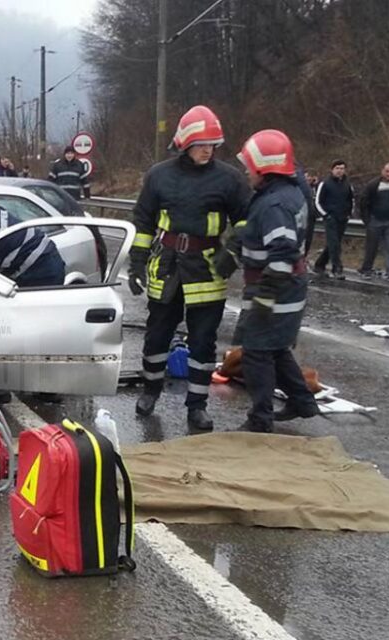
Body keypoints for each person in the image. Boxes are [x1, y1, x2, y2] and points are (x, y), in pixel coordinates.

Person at [128, 105, 251, 433]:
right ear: (183, 144)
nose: (207, 150)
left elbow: (246, 220)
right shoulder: (159, 175)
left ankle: (196, 406)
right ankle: (150, 391)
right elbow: (143, 221)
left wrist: (233, 253)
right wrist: (136, 263)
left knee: (203, 342)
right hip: (166, 266)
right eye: (201, 145)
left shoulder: (230, 179)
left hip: (208, 268)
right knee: (156, 337)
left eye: (212, 144)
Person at [233, 129, 318, 433]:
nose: (246, 172)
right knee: (277, 348)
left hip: (276, 288)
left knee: (256, 351)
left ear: (264, 169)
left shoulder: (274, 204)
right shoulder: (289, 192)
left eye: (249, 167)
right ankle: (302, 402)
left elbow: (282, 248)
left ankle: (260, 419)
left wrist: (265, 294)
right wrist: (237, 241)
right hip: (289, 286)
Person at [311, 160, 354, 279]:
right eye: (337, 168)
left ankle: (319, 265)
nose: (340, 171)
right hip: (330, 218)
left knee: (333, 244)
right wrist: (325, 215)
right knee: (334, 243)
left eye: (342, 168)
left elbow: (351, 199)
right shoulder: (325, 183)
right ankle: (337, 268)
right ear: (332, 169)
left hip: (343, 218)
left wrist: (349, 213)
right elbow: (317, 201)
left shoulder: (347, 184)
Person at [357, 162, 389, 278]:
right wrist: (367, 219)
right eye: (387, 171)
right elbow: (363, 202)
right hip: (374, 220)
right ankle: (366, 269)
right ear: (382, 171)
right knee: (371, 247)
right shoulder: (373, 185)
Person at [302, 168, 319, 256]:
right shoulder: (300, 188)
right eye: (306, 177)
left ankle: (305, 256)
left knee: (308, 239)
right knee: (302, 238)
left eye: (310, 177)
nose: (308, 179)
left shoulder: (316, 188)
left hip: (311, 216)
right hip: (302, 216)